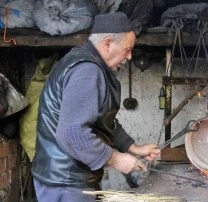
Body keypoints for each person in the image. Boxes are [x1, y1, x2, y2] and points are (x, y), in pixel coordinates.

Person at [31, 12, 160, 202]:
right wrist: (116, 159)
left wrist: (134, 148)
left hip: (66, 178)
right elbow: (72, 132)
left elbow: (100, 119)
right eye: (127, 49)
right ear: (107, 44)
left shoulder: (84, 61)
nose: (130, 56)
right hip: (66, 182)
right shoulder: (87, 71)